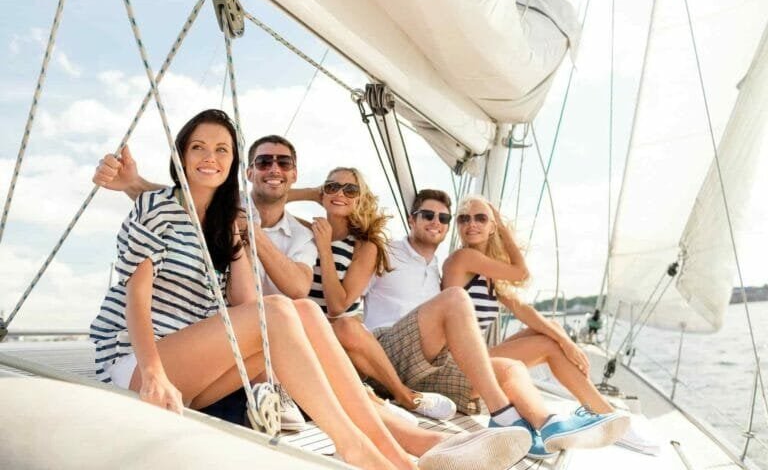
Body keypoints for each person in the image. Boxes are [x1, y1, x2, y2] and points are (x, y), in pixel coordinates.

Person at [92, 130, 532, 469]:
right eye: (263, 161)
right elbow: (151, 264)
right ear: (247, 172)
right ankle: (370, 448)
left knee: (301, 311)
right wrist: (135, 182)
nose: (212, 158)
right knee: (292, 317)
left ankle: (409, 447)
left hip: (238, 351)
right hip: (156, 359)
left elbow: (276, 294)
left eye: (222, 150)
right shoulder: (171, 207)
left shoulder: (265, 230)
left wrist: (245, 237)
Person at [359, 189, 630, 459]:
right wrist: (499, 223)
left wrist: (565, 340)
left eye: (445, 218)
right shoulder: (452, 258)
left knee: (523, 358)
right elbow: (520, 272)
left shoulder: (439, 267)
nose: (469, 224)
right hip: (407, 353)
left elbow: (526, 312)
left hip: (437, 363)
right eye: (463, 219)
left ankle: (551, 424)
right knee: (457, 299)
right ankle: (512, 415)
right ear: (412, 219)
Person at [288, 168, 456, 420]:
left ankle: (404, 396)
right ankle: (379, 402)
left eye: (350, 190)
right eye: (332, 187)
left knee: (346, 325)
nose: (340, 193)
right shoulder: (309, 230)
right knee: (344, 329)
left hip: (337, 338)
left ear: (360, 198)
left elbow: (337, 306)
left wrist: (324, 249)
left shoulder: (366, 247)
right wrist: (313, 193)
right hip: (298, 329)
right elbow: (263, 203)